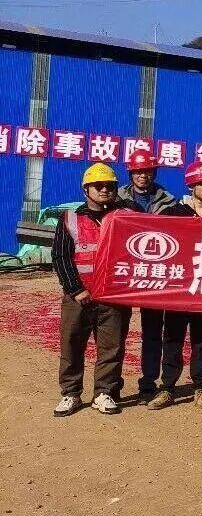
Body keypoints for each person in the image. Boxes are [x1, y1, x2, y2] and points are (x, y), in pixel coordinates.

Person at [148, 162, 202, 411]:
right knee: (172, 338)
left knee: (201, 340)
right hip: (178, 289)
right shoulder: (173, 213)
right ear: (191, 186)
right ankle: (167, 388)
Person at [52, 163, 131, 416]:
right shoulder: (70, 219)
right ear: (86, 189)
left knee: (112, 347)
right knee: (72, 345)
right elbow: (61, 257)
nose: (105, 190)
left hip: (113, 297)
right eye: (98, 186)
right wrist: (76, 289)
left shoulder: (126, 217)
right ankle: (71, 393)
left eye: (110, 186)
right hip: (79, 297)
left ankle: (104, 392)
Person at [117, 149, 177, 403]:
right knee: (115, 331)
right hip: (123, 274)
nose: (143, 175)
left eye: (148, 171)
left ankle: (149, 384)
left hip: (155, 275)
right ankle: (111, 385)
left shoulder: (169, 202)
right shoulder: (116, 199)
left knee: (153, 331)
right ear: (131, 173)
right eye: (139, 171)